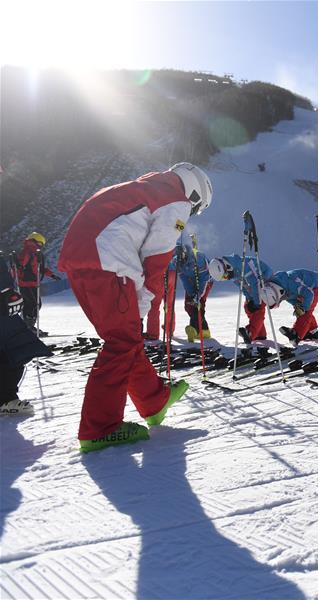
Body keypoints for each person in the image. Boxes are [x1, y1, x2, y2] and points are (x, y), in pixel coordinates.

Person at [57, 162, 212, 452]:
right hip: (110, 266)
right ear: (194, 194)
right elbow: (158, 258)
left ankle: (154, 400)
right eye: (195, 208)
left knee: (124, 339)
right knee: (122, 342)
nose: (190, 215)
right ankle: (99, 429)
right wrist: (147, 299)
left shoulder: (143, 189)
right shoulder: (176, 202)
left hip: (82, 264)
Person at [1, 251, 52, 416]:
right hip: (8, 307)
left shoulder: (29, 253)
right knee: (13, 351)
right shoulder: (30, 252)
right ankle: (6, 400)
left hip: (13, 296)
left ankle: (6, 399)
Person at [208, 253, 272, 343]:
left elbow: (256, 284)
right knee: (248, 307)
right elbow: (243, 287)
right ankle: (260, 335)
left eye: (225, 276)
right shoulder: (232, 273)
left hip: (265, 280)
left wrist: (256, 302)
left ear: (227, 267)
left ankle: (251, 333)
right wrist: (250, 299)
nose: (227, 278)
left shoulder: (244, 266)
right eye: (224, 278)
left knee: (258, 307)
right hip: (254, 285)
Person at [261, 269, 318, 346]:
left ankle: (296, 335)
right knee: (301, 309)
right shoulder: (278, 287)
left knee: (306, 311)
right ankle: (312, 331)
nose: (280, 301)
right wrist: (296, 305)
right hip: (304, 288)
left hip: (316, 286)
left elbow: (309, 294)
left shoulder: (292, 284)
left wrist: (302, 307)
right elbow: (289, 297)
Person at [15, 232, 61, 335]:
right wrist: (19, 267)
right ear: (35, 241)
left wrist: (52, 275)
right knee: (34, 304)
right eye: (40, 244)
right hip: (27, 283)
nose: (41, 247)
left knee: (31, 304)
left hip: (30, 283)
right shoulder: (28, 252)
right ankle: (29, 327)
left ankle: (28, 326)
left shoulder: (33, 253)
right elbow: (20, 265)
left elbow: (39, 268)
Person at [177, 242, 213, 342]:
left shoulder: (199, 258)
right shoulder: (178, 262)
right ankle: (204, 330)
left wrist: (198, 295)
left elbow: (204, 279)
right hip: (191, 281)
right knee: (189, 305)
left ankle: (194, 328)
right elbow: (184, 279)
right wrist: (191, 293)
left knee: (199, 303)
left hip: (206, 281)